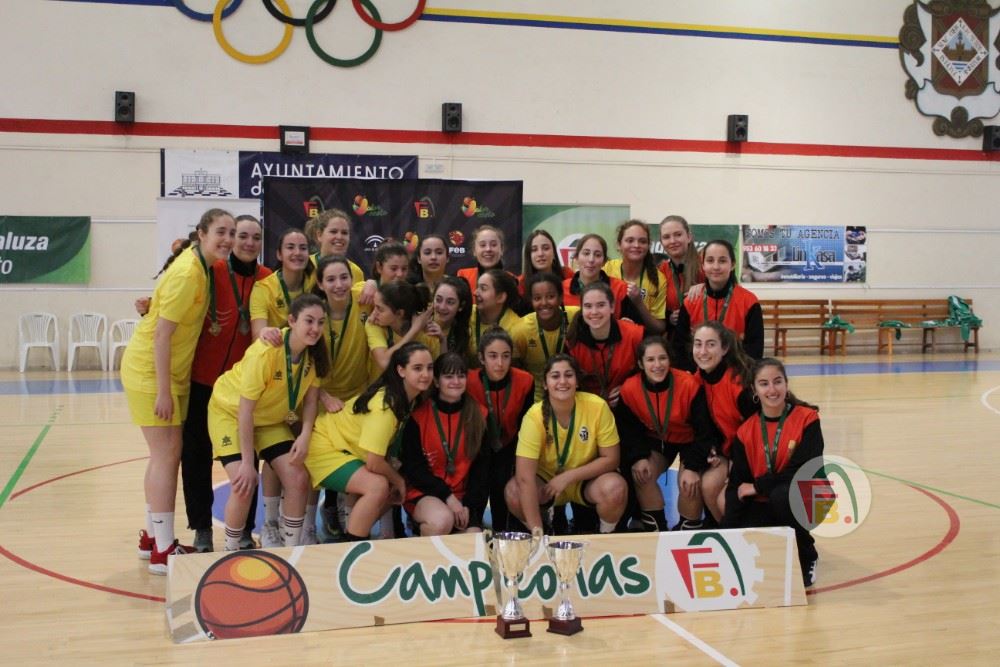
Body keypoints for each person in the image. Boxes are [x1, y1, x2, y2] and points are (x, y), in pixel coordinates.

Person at [121, 208, 235, 574]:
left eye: (231, 233)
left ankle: (153, 539)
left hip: (171, 374)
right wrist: (164, 391)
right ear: (201, 233)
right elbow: (161, 335)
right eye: (221, 232)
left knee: (162, 456)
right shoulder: (188, 272)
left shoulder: (201, 267)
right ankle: (163, 550)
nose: (228, 239)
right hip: (152, 373)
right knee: (167, 456)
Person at [181, 214, 271, 553]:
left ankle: (244, 530)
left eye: (255, 237)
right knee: (196, 457)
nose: (248, 243)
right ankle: (201, 529)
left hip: (241, 390)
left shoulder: (267, 280)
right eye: (241, 235)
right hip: (201, 380)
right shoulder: (212, 270)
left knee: (249, 459)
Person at [208, 294, 328, 550]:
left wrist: (305, 434)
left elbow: (310, 402)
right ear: (292, 321)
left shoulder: (314, 355)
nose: (315, 328)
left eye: (320, 322)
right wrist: (248, 463)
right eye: (309, 321)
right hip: (230, 413)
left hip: (270, 419)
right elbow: (245, 411)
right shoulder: (265, 352)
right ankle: (230, 550)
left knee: (298, 478)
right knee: (243, 484)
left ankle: (291, 549)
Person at [305, 342, 434, 541]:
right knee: (378, 485)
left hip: (347, 447)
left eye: (429, 368)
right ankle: (353, 546)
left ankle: (354, 535)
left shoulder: (409, 397)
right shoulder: (385, 407)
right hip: (325, 446)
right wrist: (398, 480)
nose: (425, 374)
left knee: (389, 485)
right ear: (401, 370)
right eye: (417, 368)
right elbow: (374, 462)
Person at [724, 358, 823, 587]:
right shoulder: (745, 431)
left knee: (783, 496)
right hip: (769, 497)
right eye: (764, 384)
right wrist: (727, 534)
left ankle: (807, 555)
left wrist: (758, 487)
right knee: (747, 524)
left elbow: (802, 471)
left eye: (777, 381)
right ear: (754, 390)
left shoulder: (808, 419)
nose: (772, 389)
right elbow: (738, 485)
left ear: (786, 384)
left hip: (810, 495)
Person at [505, 354, 627, 534]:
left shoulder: (597, 406)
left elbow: (612, 459)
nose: (562, 381)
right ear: (545, 384)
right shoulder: (534, 417)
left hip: (586, 480)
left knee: (615, 489)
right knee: (513, 492)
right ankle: (543, 529)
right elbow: (525, 478)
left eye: (569, 375)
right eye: (555, 376)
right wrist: (537, 531)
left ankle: (604, 535)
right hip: (546, 483)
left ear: (577, 381)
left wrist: (567, 477)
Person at [614, 336, 721, 532]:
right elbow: (628, 431)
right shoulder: (630, 389)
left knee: (689, 483)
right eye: (650, 359)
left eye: (662, 358)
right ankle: (656, 528)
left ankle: (688, 528)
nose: (657, 365)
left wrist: (692, 467)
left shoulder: (689, 385)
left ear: (670, 360)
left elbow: (705, 432)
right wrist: (638, 457)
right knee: (642, 473)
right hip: (657, 439)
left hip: (691, 441)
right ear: (641, 364)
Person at [400, 352, 491, 535]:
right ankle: (421, 530)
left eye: (461, 376)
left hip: (463, 498)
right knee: (442, 521)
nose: (456, 382)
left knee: (473, 538)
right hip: (426, 493)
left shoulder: (479, 415)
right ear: (436, 381)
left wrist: (471, 509)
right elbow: (414, 470)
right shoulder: (418, 417)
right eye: (449, 376)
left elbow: (481, 471)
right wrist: (448, 498)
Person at [466, 328, 535, 530]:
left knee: (502, 483)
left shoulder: (525, 381)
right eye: (493, 356)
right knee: (479, 482)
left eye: (505, 356)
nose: (500, 363)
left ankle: (503, 529)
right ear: (481, 358)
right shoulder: (468, 381)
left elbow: (526, 424)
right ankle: (474, 525)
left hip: (510, 443)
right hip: (477, 447)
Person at [691, 321, 757, 523]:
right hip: (727, 451)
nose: (703, 351)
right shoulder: (698, 378)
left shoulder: (739, 383)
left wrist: (737, 467)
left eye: (710, 344)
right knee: (708, 484)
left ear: (725, 348)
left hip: (751, 456)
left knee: (725, 501)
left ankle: (736, 531)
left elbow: (756, 433)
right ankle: (721, 528)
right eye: (698, 344)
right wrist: (712, 449)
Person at [671, 239, 765, 369]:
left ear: (732, 265)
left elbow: (755, 350)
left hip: (735, 374)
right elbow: (680, 346)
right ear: (703, 265)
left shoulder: (749, 302)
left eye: (722, 261)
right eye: (710, 260)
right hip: (698, 375)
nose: (716, 267)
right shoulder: (691, 301)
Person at [565, 282, 644, 405]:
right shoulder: (572, 342)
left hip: (627, 403)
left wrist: (628, 388)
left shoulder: (635, 335)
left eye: (601, 305)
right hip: (588, 406)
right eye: (588, 306)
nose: (594, 311)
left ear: (612, 307)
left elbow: (651, 371)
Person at [314, 255, 372, 408]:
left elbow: (391, 286)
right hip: (323, 398)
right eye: (331, 280)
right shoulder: (313, 314)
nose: (339, 285)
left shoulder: (364, 298)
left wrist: (374, 283)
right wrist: (323, 397)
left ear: (352, 279)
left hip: (361, 394)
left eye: (344, 277)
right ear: (320, 284)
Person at [511, 272, 579, 401]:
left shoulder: (576, 318)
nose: (544, 303)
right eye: (537, 298)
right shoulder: (520, 330)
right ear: (531, 301)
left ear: (561, 297)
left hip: (574, 393)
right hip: (537, 398)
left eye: (550, 296)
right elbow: (515, 373)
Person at [250, 228, 315, 340]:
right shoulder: (263, 288)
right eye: (290, 247)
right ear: (279, 254)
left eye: (303, 248)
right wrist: (265, 333)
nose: (297, 252)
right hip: (274, 348)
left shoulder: (316, 282)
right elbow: (258, 336)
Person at [604, 220, 667, 333]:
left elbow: (659, 328)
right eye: (630, 240)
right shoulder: (607, 269)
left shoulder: (658, 279)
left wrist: (639, 303)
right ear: (619, 245)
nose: (636, 245)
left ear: (648, 246)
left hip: (642, 338)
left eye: (642, 241)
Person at [365, 281, 437, 376]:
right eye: (375, 306)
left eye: (380, 309)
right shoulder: (374, 324)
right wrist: (414, 330)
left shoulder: (428, 334)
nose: (374, 313)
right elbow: (384, 362)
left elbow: (434, 374)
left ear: (399, 313)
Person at [657, 215, 703, 330]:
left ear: (689, 237)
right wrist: (669, 318)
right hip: (677, 336)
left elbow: (730, 292)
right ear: (661, 242)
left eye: (678, 234)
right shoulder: (661, 270)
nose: (672, 241)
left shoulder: (706, 264)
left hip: (706, 333)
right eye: (666, 237)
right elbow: (658, 309)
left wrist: (706, 288)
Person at [470, 269, 521, 357]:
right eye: (477, 287)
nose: (475, 293)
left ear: (500, 297)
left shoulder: (515, 328)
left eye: (483, 288)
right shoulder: (467, 314)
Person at [309, 209, 364, 284]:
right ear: (319, 235)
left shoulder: (356, 272)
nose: (339, 237)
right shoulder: (306, 265)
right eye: (333, 232)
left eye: (344, 233)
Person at [425, 276, 473, 359]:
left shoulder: (462, 333)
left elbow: (448, 366)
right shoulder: (420, 322)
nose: (442, 307)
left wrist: (443, 340)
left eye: (450, 302)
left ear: (461, 306)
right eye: (438, 300)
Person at [518, 229, 573, 296]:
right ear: (528, 255)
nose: (540, 254)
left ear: (554, 253)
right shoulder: (520, 283)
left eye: (546, 248)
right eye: (534, 250)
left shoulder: (567, 274)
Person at [457, 224, 508, 295]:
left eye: (493, 245)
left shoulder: (512, 280)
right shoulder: (464, 276)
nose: (488, 249)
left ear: (502, 249)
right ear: (474, 250)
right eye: (483, 245)